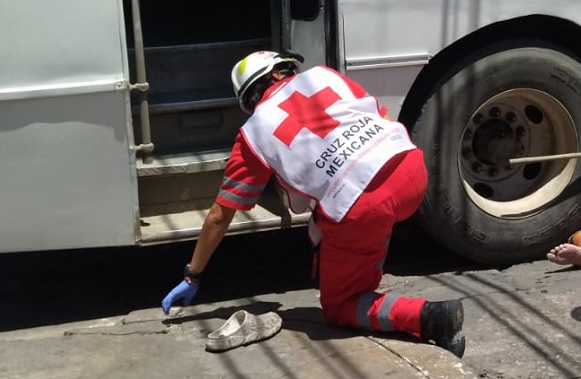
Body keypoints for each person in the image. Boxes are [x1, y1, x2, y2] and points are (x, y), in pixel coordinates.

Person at [160, 51, 466, 357]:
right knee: (331, 218)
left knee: (341, 305)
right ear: (280, 72)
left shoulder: (253, 133)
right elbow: (381, 118)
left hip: (363, 206)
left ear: (249, 100)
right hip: (410, 169)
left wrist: (193, 274)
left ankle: (430, 317)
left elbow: (219, 215)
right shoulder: (324, 75)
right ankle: (364, 266)